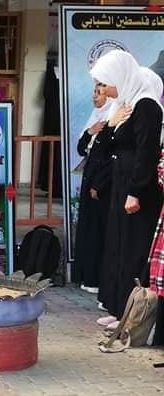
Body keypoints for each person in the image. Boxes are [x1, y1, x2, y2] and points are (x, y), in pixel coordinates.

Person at [90, 51, 163, 329]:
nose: (104, 90)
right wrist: (110, 125)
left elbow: (147, 153)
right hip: (119, 186)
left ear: (121, 77)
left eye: (106, 83)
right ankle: (116, 306)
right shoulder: (123, 106)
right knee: (116, 246)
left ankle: (131, 313)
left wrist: (136, 191)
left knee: (133, 248)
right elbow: (105, 148)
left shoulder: (146, 106)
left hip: (137, 189)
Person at [73, 85, 114, 293]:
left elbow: (109, 157)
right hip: (90, 176)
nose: (94, 97)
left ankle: (95, 277)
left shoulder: (113, 119)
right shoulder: (96, 118)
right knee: (87, 227)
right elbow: (82, 149)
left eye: (99, 93)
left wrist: (98, 183)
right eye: (94, 92)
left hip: (101, 182)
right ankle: (85, 275)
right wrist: (91, 131)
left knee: (98, 229)